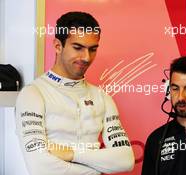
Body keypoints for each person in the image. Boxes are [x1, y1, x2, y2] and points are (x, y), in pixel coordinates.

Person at [15, 11, 134, 175]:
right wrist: (96, 166)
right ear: (58, 45)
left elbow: (125, 160)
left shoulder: (102, 97)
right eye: (78, 48)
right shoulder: (33, 94)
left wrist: (71, 154)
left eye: (93, 49)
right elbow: (40, 167)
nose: (86, 57)